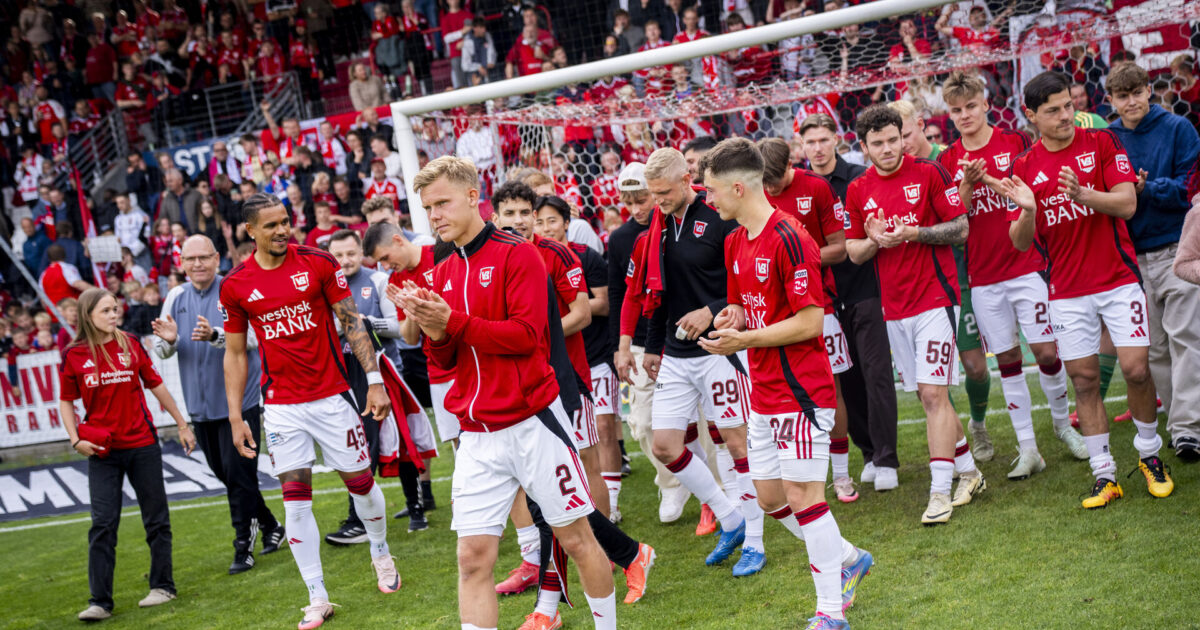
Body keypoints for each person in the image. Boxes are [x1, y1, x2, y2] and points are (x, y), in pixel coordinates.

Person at [390, 156, 617, 629]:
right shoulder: (442, 271)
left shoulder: (518, 254)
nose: (434, 216)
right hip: (476, 432)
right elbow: (445, 362)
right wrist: (433, 329)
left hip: (534, 421)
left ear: (473, 197)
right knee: (472, 557)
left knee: (577, 540)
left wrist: (451, 322)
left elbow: (527, 337)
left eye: (442, 203)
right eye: (428, 208)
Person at [697, 137, 873, 630]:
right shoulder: (734, 241)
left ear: (738, 188)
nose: (708, 200)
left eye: (712, 191)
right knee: (771, 500)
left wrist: (746, 339)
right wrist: (733, 318)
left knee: (804, 497)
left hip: (801, 392)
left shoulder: (790, 236)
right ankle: (848, 557)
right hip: (764, 391)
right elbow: (743, 304)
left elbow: (810, 321)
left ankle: (830, 612)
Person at [219, 192, 399, 629]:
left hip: (332, 397)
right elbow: (236, 353)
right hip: (281, 407)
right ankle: (317, 596)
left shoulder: (318, 262)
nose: (282, 230)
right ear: (250, 231)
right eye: (271, 225)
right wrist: (236, 416)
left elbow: (351, 321)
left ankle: (380, 551)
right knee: (295, 501)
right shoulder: (236, 284)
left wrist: (374, 380)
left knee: (361, 484)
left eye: (285, 221)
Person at [996, 71, 1174, 508]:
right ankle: (1104, 473)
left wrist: (1083, 195)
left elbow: (1127, 203)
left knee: (1136, 369)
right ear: (1031, 115)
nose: (1065, 116)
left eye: (1068, 106)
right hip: (1066, 292)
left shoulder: (1101, 142)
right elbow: (1020, 242)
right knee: (1084, 379)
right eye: (1053, 110)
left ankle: (1150, 456)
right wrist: (1028, 211)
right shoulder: (1024, 166)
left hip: (1118, 280)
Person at [937, 71, 1086, 478]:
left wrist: (994, 181)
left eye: (971, 106)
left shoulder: (1016, 142)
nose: (965, 115)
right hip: (983, 277)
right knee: (1006, 359)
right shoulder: (948, 161)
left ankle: (1062, 426)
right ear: (949, 115)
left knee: (1047, 353)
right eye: (956, 110)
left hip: (1027, 266)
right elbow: (954, 220)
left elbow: (1033, 192)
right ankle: (1028, 448)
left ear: (986, 104)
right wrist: (968, 185)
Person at [844, 104, 985, 525]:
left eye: (894, 139)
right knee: (928, 396)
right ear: (864, 146)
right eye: (878, 143)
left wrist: (915, 233)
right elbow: (853, 252)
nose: (889, 148)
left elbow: (960, 228)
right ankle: (970, 472)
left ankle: (939, 494)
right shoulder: (858, 189)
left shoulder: (928, 173)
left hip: (936, 300)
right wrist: (875, 240)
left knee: (933, 394)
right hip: (894, 308)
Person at [628, 147, 764, 574]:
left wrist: (711, 309)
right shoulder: (657, 227)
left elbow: (746, 281)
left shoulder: (719, 217)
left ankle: (755, 541)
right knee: (665, 445)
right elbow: (658, 294)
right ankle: (731, 518)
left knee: (735, 442)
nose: (658, 201)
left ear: (687, 180)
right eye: (653, 194)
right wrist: (653, 346)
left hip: (721, 347)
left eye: (664, 192)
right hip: (675, 351)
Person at [59, 288, 196, 622]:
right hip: (102, 451)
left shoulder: (131, 343)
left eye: (115, 308)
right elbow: (65, 400)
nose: (113, 315)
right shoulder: (73, 354)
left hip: (142, 445)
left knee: (156, 519)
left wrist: (182, 423)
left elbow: (155, 384)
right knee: (102, 524)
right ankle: (100, 602)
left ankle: (163, 586)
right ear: (88, 315)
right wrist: (75, 440)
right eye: (105, 310)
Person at [151, 235, 284, 574]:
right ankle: (271, 525)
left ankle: (243, 547)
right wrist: (168, 341)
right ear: (181, 263)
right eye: (191, 259)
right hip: (200, 407)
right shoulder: (175, 296)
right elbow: (162, 349)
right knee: (229, 476)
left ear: (216, 258)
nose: (197, 264)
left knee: (239, 476)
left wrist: (216, 335)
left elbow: (255, 337)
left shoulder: (235, 288)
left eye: (204, 257)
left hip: (240, 403)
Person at [802, 114, 902, 491]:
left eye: (823, 139)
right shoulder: (801, 187)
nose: (818, 148)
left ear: (836, 140)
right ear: (801, 146)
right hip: (824, 299)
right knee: (846, 379)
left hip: (866, 288)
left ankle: (887, 458)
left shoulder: (861, 178)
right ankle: (868, 452)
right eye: (810, 142)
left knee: (876, 373)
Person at [1107, 62, 1200, 461]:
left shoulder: (1179, 128)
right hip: (1130, 258)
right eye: (1122, 96)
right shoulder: (1107, 138)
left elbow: (1189, 188)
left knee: (1187, 340)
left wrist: (1147, 187)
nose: (1131, 102)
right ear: (1110, 100)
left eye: (1137, 92)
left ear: (1149, 90)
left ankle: (1188, 429)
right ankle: (1181, 419)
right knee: (1155, 349)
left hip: (1178, 249)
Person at [758, 137, 860, 502]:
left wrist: (797, 256)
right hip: (770, 312)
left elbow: (840, 247)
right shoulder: (755, 192)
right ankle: (792, 476)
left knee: (831, 389)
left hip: (819, 305)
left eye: (775, 182)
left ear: (791, 165)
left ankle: (842, 475)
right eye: (764, 184)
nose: (770, 190)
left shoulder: (816, 187)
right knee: (779, 392)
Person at [324, 229, 438, 540]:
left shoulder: (377, 280)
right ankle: (358, 518)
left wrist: (364, 324)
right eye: (338, 255)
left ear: (361, 253)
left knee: (399, 442)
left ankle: (416, 508)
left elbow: (401, 329)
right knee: (354, 447)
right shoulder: (325, 284)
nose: (345, 260)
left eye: (351, 253)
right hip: (345, 377)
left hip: (385, 373)